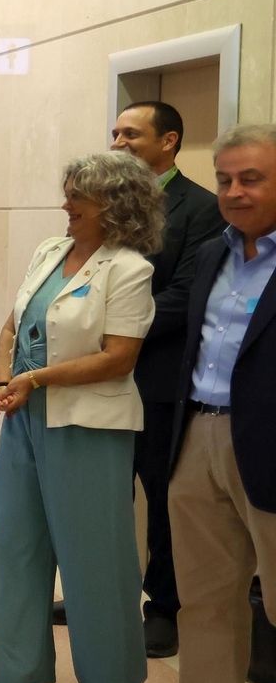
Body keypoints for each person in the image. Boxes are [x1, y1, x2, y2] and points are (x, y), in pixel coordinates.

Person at [0, 151, 162, 683]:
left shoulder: (129, 269)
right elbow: (12, 326)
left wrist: (36, 379)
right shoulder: (49, 251)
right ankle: (19, 669)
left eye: (79, 195)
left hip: (89, 427)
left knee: (94, 559)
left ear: (115, 204)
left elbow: (119, 358)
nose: (67, 204)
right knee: (16, 547)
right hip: (25, 421)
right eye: (68, 192)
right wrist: (4, 380)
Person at [128, 124, 276, 683]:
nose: (235, 192)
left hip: (268, 445)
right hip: (199, 436)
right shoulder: (215, 252)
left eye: (252, 179)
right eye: (225, 180)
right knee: (206, 599)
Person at [50, 103, 224, 654]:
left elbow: (188, 294)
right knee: (104, 492)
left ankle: (165, 608)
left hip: (158, 377)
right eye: (115, 133)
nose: (118, 142)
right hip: (96, 373)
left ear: (169, 141)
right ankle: (100, 594)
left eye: (132, 133)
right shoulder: (100, 204)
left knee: (162, 495)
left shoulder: (203, 208)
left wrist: (119, 330)